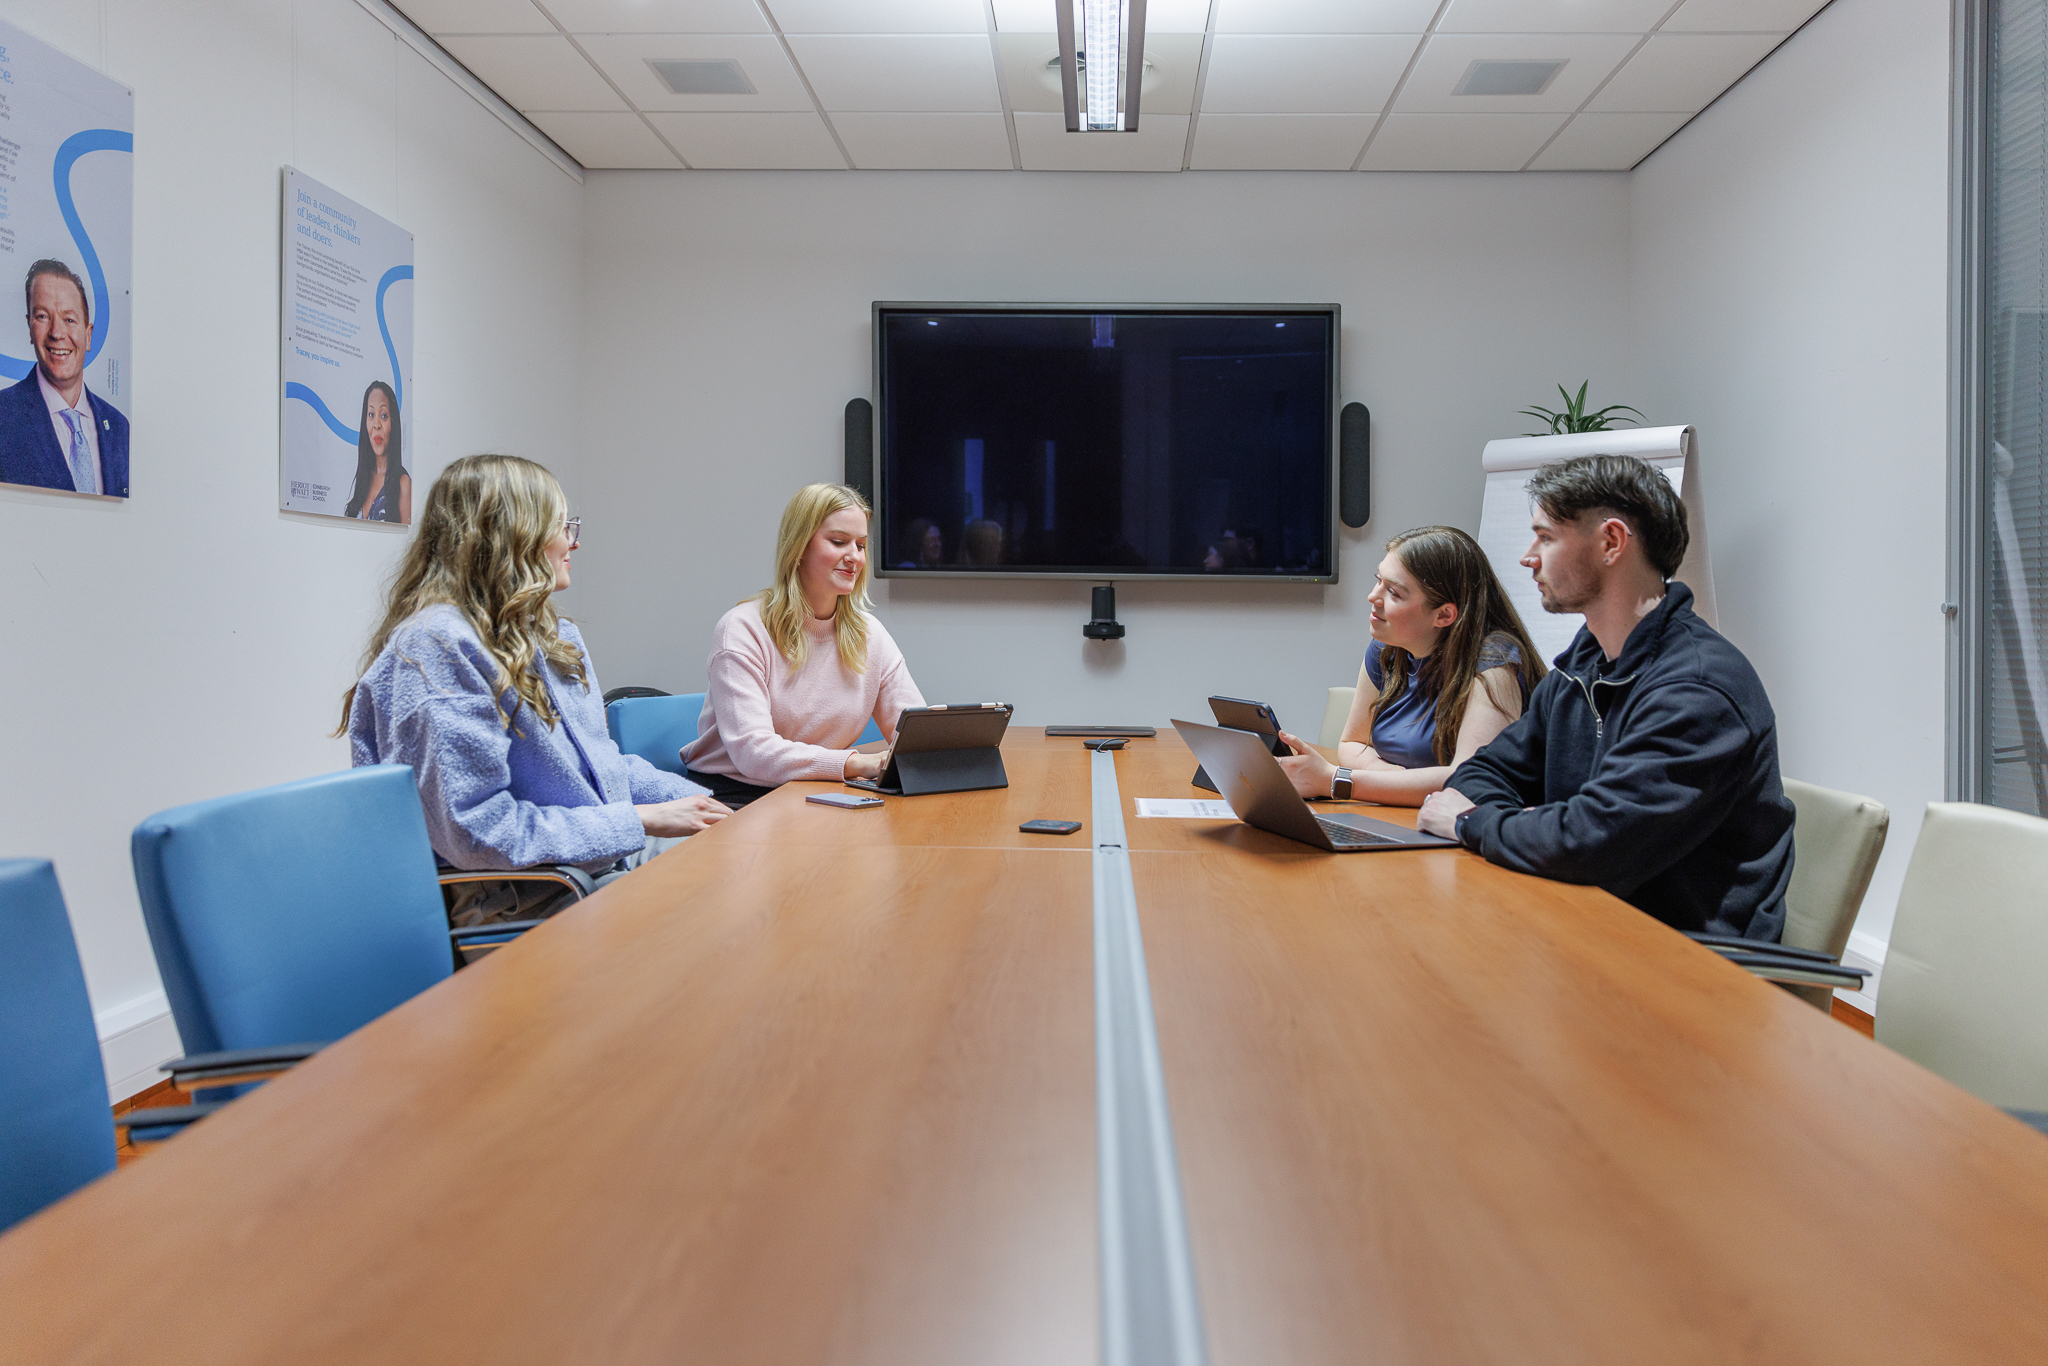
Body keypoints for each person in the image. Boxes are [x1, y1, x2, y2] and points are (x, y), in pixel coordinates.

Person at [1417, 454, 1794, 941]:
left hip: (1689, 965)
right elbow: (1481, 772)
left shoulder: (1698, 690)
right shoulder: (1582, 666)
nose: (1527, 556)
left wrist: (1472, 823)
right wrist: (1545, 828)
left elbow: (1588, 845)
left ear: (1611, 542)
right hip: (1585, 922)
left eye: (1546, 537)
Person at [342, 453, 730, 924]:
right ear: (512, 536)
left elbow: (603, 768)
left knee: (748, 871)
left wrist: (714, 806)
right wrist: (639, 820)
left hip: (593, 866)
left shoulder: (551, 635)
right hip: (521, 900)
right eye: (562, 525)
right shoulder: (437, 648)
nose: (573, 542)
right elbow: (478, 830)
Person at [683, 483, 926, 806]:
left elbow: (914, 734)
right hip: (736, 796)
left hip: (817, 788)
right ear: (798, 548)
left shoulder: (870, 634)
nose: (854, 557)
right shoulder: (742, 629)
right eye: (839, 542)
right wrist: (854, 764)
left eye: (861, 545)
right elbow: (753, 753)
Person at [1275, 526, 1543, 805]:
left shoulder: (1495, 666)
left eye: (1394, 592)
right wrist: (1394, 781)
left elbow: (1467, 782)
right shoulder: (1386, 650)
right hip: (1404, 814)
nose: (1372, 597)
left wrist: (1337, 781)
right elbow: (1351, 744)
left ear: (1444, 615)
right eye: (1378, 580)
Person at [0, 259, 131, 497]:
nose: (57, 333)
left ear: (88, 336)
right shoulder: (3, 416)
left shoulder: (120, 428)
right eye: (42, 316)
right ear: (30, 327)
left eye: (69, 320)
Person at [344, 380, 410, 523]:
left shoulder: (403, 483)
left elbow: (408, 542)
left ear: (393, 424)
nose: (376, 425)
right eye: (371, 414)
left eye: (384, 416)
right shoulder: (363, 478)